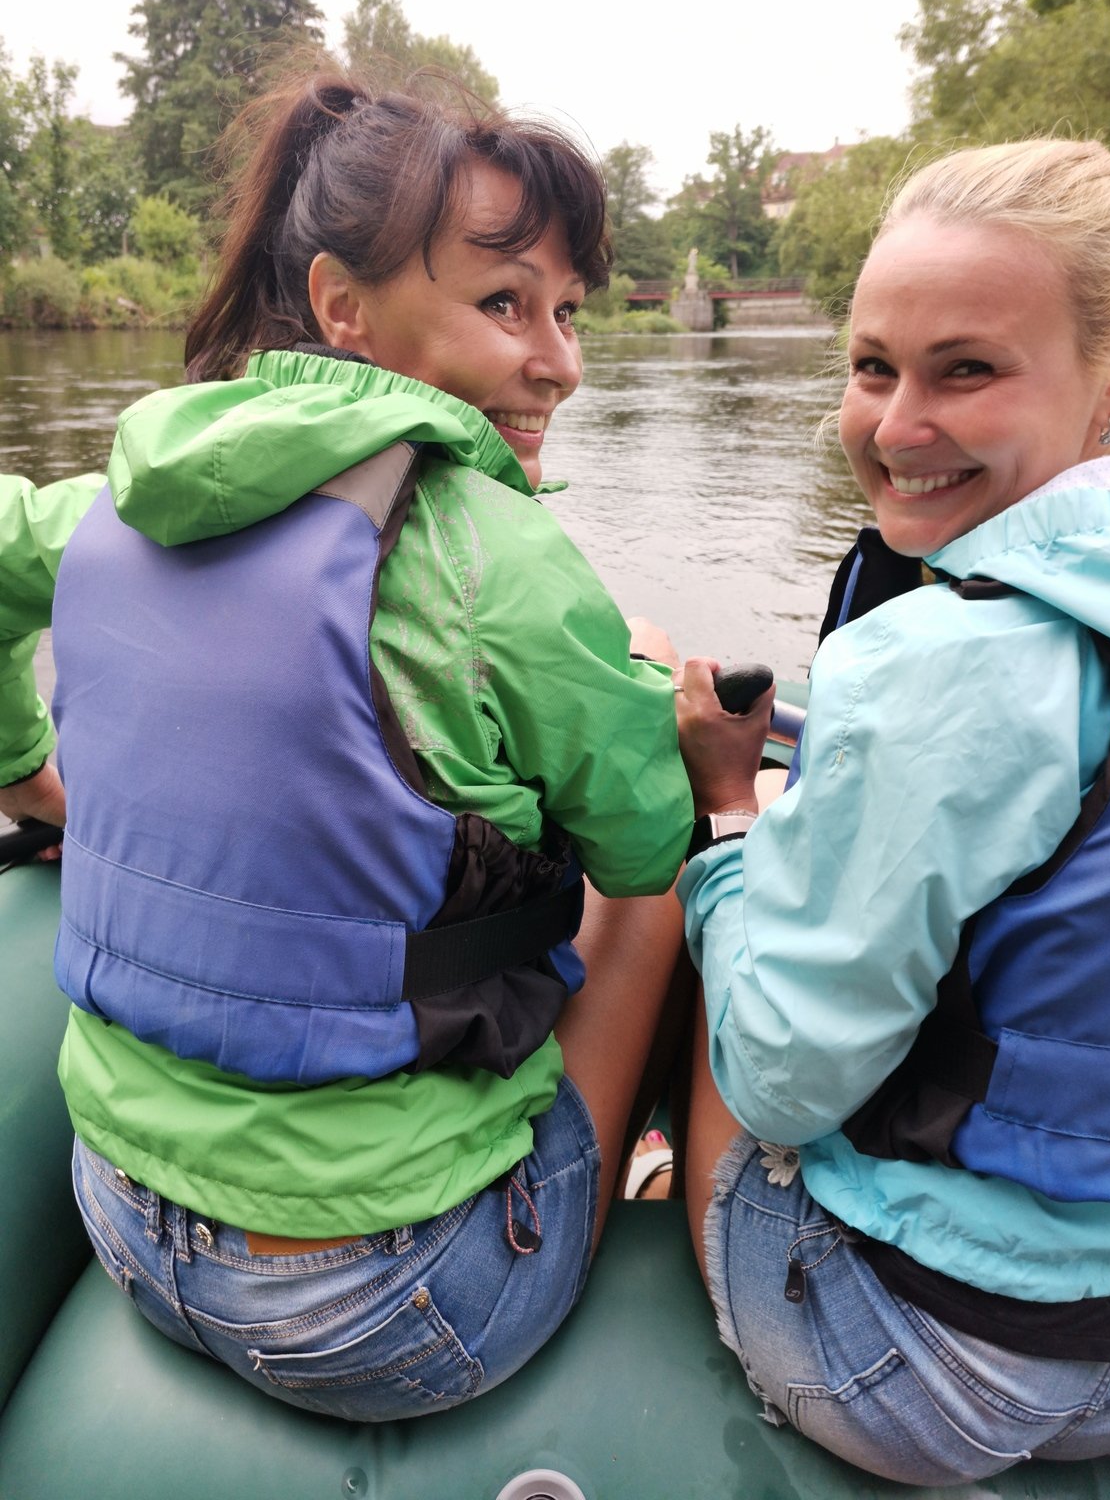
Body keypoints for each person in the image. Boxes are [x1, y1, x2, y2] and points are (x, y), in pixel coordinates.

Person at [0, 68, 694, 1421]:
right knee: (661, 899)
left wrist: (26, 766)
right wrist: (678, 730)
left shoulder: (115, 499)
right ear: (342, 307)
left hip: (124, 1215)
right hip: (387, 1306)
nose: (561, 361)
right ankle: (650, 1194)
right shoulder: (510, 559)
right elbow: (645, 839)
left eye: (567, 311)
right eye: (504, 305)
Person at [672, 138, 1110, 1485]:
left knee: (690, 910)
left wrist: (736, 825)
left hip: (919, 1369)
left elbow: (783, 1080)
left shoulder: (940, 665)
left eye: (966, 370)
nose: (898, 427)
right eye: (872, 367)